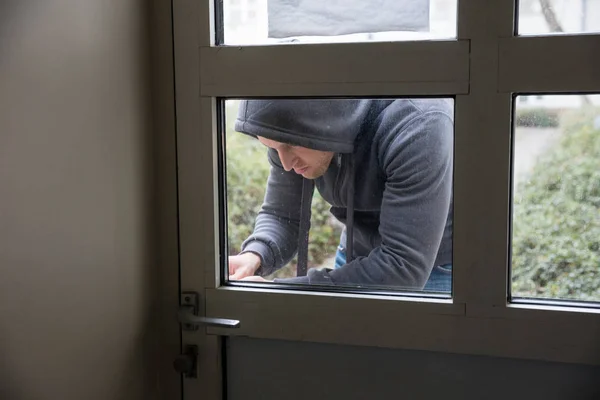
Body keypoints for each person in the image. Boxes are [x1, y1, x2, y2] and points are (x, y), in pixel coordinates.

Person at [228, 99, 453, 292]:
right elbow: (282, 216)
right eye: (274, 148)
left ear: (326, 123)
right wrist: (255, 255)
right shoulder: (291, 131)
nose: (286, 164)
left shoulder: (419, 126)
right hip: (355, 254)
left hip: (433, 266)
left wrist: (282, 292)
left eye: (290, 145)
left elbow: (402, 266)